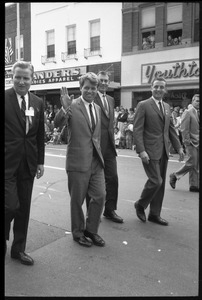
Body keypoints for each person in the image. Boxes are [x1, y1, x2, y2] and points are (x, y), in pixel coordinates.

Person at [54, 72, 106, 247]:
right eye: (87, 88)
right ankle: (78, 232)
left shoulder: (97, 108)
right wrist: (64, 109)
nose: (90, 91)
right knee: (77, 200)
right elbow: (57, 123)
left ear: (97, 89)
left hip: (95, 161)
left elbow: (95, 135)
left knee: (100, 195)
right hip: (77, 161)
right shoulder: (72, 105)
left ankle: (91, 230)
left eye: (93, 88)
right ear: (81, 88)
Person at [5, 61, 45, 265]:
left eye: (25, 77)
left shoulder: (38, 102)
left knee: (24, 208)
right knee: (10, 205)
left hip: (28, 164)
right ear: (12, 78)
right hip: (6, 164)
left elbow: (39, 135)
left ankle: (18, 249)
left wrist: (40, 162)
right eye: (17, 77)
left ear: (32, 79)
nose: (21, 81)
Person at [133, 77, 184, 226]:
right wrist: (141, 151)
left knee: (160, 185)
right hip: (149, 151)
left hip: (163, 151)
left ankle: (155, 214)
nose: (158, 89)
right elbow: (137, 129)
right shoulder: (143, 105)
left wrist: (179, 147)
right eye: (156, 87)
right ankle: (140, 204)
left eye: (162, 87)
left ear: (165, 90)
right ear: (151, 88)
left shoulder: (167, 107)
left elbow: (171, 130)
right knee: (156, 181)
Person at [86, 71, 124, 223]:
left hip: (109, 146)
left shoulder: (110, 99)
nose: (104, 83)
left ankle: (110, 210)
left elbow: (110, 122)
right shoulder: (90, 96)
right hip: (95, 146)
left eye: (106, 81)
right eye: (101, 80)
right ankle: (92, 213)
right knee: (92, 181)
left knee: (113, 178)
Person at [169, 94, 199, 192]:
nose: (199, 103)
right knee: (192, 162)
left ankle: (194, 185)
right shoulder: (188, 112)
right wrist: (187, 142)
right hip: (191, 142)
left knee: (196, 164)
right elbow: (184, 128)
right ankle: (175, 175)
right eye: (197, 101)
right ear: (192, 101)